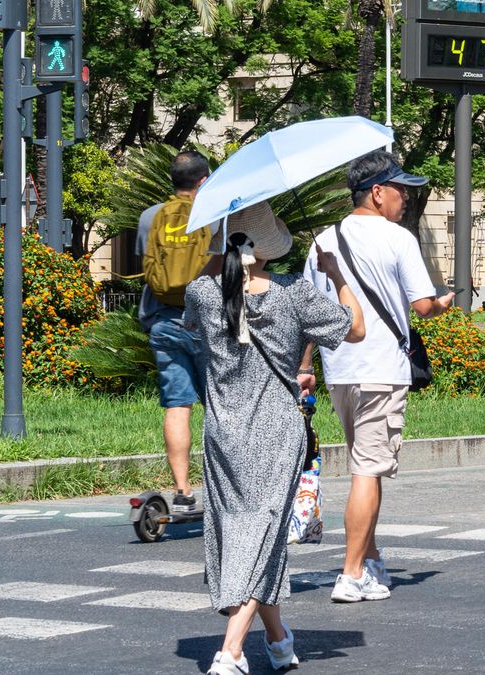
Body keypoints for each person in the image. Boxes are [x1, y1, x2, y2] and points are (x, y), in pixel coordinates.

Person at [184, 201, 366, 675]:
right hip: (275, 429)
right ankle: (232, 651)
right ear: (268, 248)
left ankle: (279, 639)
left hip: (223, 430)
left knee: (243, 529)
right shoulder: (293, 294)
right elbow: (356, 329)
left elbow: (190, 320)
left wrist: (218, 254)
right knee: (263, 531)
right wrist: (338, 274)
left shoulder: (203, 292)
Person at [301, 149, 455, 603]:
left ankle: (369, 559)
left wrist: (305, 365)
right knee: (368, 471)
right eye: (400, 189)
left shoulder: (322, 241)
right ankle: (350, 574)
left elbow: (309, 313)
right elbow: (422, 305)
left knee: (365, 467)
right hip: (382, 370)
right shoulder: (398, 239)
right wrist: (443, 300)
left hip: (341, 370)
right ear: (377, 192)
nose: (405, 197)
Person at [137, 150, 211, 514]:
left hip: (163, 322)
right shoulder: (213, 215)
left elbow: (147, 265)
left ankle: (182, 492)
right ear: (203, 180)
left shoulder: (151, 217)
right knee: (220, 405)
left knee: (177, 405)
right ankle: (223, 486)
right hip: (205, 323)